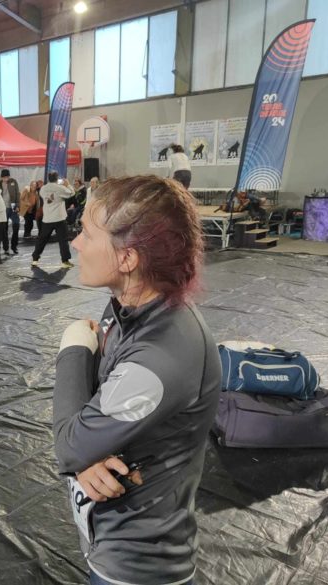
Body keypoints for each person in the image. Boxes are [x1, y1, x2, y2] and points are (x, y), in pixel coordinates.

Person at [53, 175, 221, 585]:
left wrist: (72, 349)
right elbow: (90, 422)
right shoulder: (129, 308)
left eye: (87, 233)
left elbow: (69, 444)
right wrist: (87, 457)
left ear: (127, 258)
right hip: (111, 540)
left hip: (139, 566)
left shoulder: (159, 357)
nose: (75, 242)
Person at [31, 172, 75, 268]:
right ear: (57, 178)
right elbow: (71, 193)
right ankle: (65, 261)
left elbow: (45, 197)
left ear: (48, 178)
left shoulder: (43, 188)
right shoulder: (60, 188)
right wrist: (68, 185)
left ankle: (35, 259)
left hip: (47, 218)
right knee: (63, 240)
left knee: (42, 239)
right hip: (59, 218)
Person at [0, 169, 20, 254]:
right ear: (1, 177)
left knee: (16, 225)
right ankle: (6, 248)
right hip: (3, 208)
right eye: (4, 177)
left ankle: (14, 246)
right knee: (4, 229)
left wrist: (18, 206)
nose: (6, 179)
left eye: (7, 177)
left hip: (13, 207)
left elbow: (17, 194)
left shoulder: (13, 182)